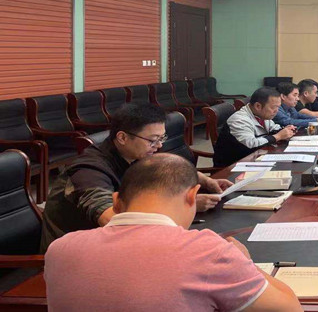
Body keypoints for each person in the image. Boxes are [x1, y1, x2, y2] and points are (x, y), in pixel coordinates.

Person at [45, 154, 302, 312]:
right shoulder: (209, 251)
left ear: (116, 201)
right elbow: (289, 308)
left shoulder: (60, 248)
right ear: (193, 196)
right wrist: (246, 262)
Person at [40, 103, 233, 250]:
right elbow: (113, 221)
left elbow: (168, 166)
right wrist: (178, 207)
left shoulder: (134, 154)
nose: (158, 146)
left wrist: (207, 181)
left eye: (161, 138)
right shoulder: (88, 171)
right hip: (77, 254)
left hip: (115, 244)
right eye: (153, 140)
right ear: (122, 137)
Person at [213, 87, 297, 167]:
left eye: (278, 107)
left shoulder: (262, 114)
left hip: (255, 157)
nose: (276, 111)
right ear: (258, 106)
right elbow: (252, 144)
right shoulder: (239, 120)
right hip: (233, 166)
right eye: (274, 107)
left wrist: (286, 130)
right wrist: (278, 136)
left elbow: (273, 128)